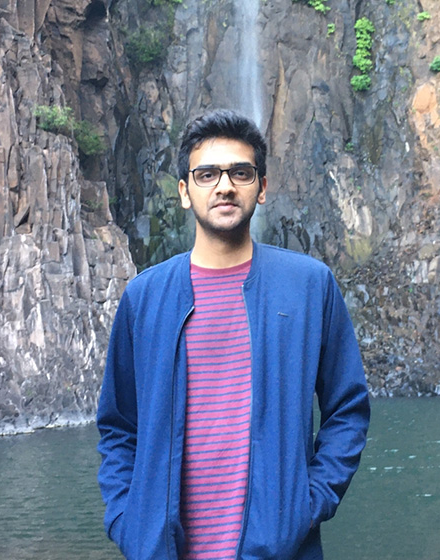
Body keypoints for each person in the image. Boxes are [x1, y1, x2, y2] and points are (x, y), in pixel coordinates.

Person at [97, 109, 370, 560]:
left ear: (261, 187)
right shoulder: (144, 297)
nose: (224, 186)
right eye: (207, 174)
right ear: (185, 191)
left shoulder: (308, 285)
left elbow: (348, 409)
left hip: (281, 548)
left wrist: (309, 500)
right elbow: (118, 425)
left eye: (240, 172)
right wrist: (128, 521)